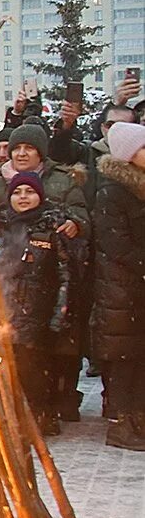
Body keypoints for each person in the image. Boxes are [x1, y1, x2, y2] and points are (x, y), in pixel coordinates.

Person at [0, 171, 77, 436]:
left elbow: (66, 275)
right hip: (3, 311)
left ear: (40, 196)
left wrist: (59, 314)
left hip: (39, 311)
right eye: (17, 192)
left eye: (29, 192)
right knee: (7, 369)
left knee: (36, 370)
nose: (23, 197)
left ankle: (39, 418)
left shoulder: (53, 228)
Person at [91, 123, 145, 450]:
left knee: (139, 357)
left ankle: (137, 419)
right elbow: (117, 244)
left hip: (136, 287)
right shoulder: (112, 191)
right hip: (121, 290)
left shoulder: (139, 187)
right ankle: (121, 425)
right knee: (125, 358)